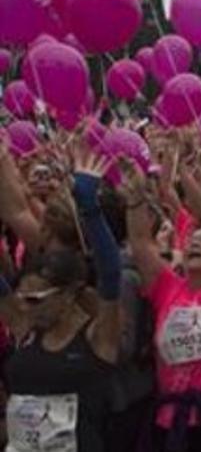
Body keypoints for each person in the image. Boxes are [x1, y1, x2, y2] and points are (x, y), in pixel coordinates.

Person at [1, 143, 121, 452]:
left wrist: (90, 209)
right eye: (22, 297)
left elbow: (111, 276)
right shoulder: (25, 328)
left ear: (68, 295)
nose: (24, 307)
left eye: (35, 298)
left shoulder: (97, 337)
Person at [122, 164, 201, 452]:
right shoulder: (167, 287)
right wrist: (136, 198)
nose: (194, 246)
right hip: (168, 420)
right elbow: (140, 243)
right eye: (191, 242)